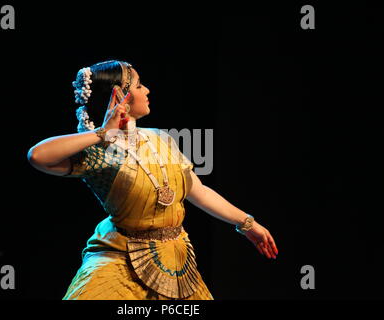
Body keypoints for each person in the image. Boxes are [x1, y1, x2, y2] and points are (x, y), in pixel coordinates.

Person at [27, 60, 279, 300]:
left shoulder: (159, 139)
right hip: (119, 258)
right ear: (119, 96)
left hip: (174, 258)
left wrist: (246, 223)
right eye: (138, 85)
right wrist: (102, 133)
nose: (147, 89)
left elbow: (198, 191)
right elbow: (38, 156)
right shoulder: (97, 152)